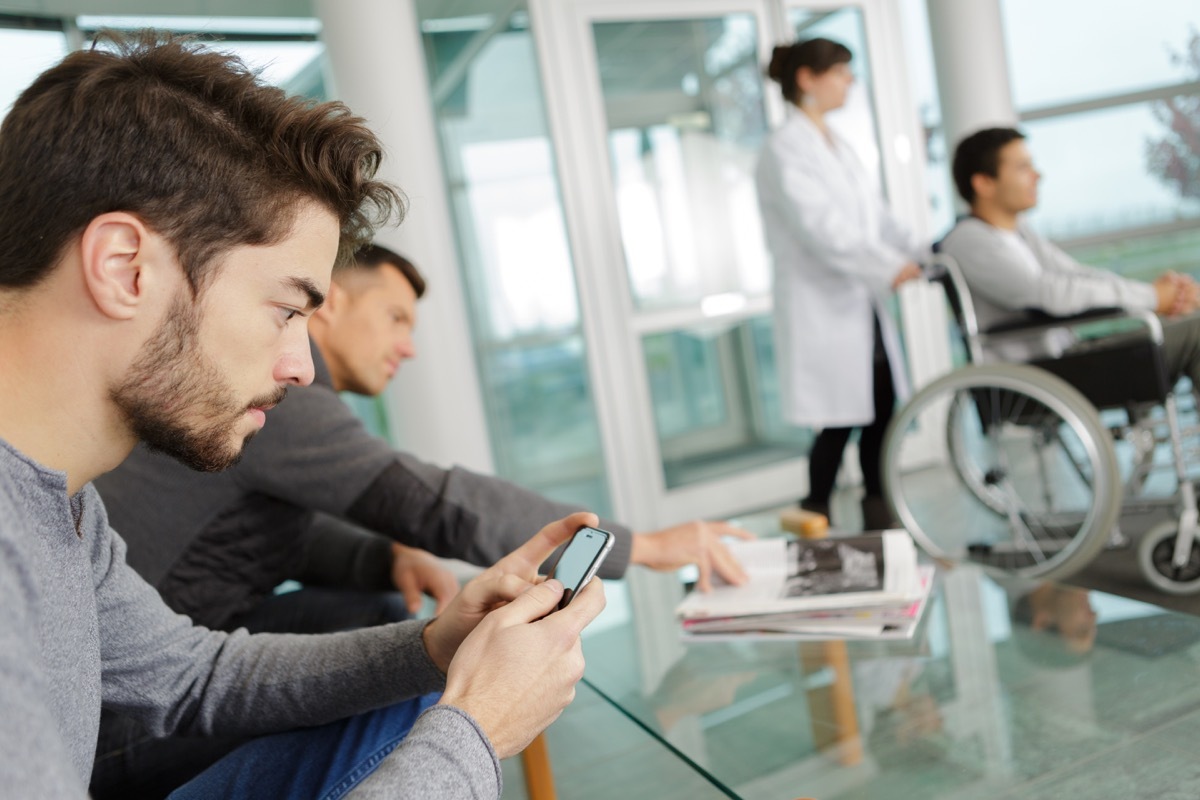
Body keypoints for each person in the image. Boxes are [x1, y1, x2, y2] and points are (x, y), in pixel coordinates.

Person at [0, 31, 605, 800]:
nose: (302, 365)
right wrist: (476, 733)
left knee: (413, 699)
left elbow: (192, 675)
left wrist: (432, 647)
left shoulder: (62, 501)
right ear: (125, 268)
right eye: (286, 309)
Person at [91, 242, 757, 796]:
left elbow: (261, 530)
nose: (407, 346)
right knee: (419, 663)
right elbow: (432, 500)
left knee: (397, 615)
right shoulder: (284, 397)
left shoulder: (271, 412)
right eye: (396, 318)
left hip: (160, 665)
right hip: (122, 728)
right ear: (334, 302)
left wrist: (388, 557)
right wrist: (644, 546)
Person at [755, 37, 927, 530]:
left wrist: (922, 249)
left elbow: (876, 218)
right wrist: (887, 266)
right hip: (822, 304)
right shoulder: (786, 148)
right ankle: (816, 520)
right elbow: (823, 228)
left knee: (880, 411)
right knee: (838, 421)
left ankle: (880, 517)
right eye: (841, 72)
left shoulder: (836, 144)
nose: (850, 81)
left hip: (857, 302)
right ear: (807, 79)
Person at [940, 126, 1200, 386]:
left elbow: (1077, 275)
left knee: (1191, 322)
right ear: (984, 183)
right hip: (1041, 374)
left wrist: (1153, 293)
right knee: (1196, 332)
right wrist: (1153, 297)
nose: (1037, 175)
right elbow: (1047, 294)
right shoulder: (968, 241)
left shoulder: (1019, 233)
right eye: (1022, 168)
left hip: (1069, 356)